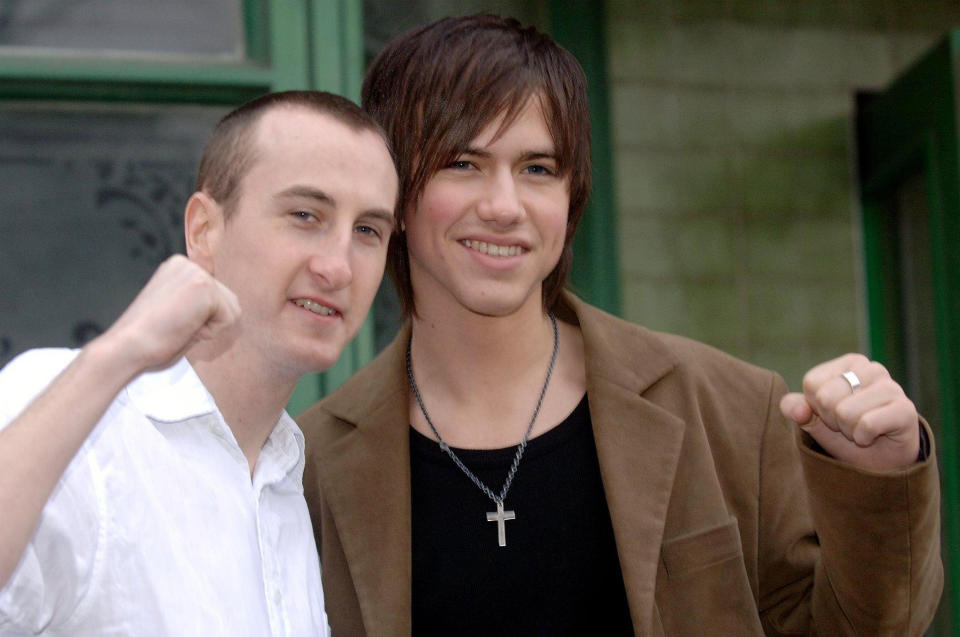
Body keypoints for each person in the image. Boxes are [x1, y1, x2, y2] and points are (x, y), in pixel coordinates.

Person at [298, 14, 943, 637]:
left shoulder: (730, 409)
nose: (503, 206)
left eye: (538, 169)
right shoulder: (308, 466)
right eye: (462, 164)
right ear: (394, 195)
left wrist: (883, 481)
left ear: (571, 198)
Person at [0, 90, 398, 636]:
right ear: (204, 230)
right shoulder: (78, 412)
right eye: (305, 214)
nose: (338, 266)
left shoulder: (289, 479)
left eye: (368, 231)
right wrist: (120, 354)